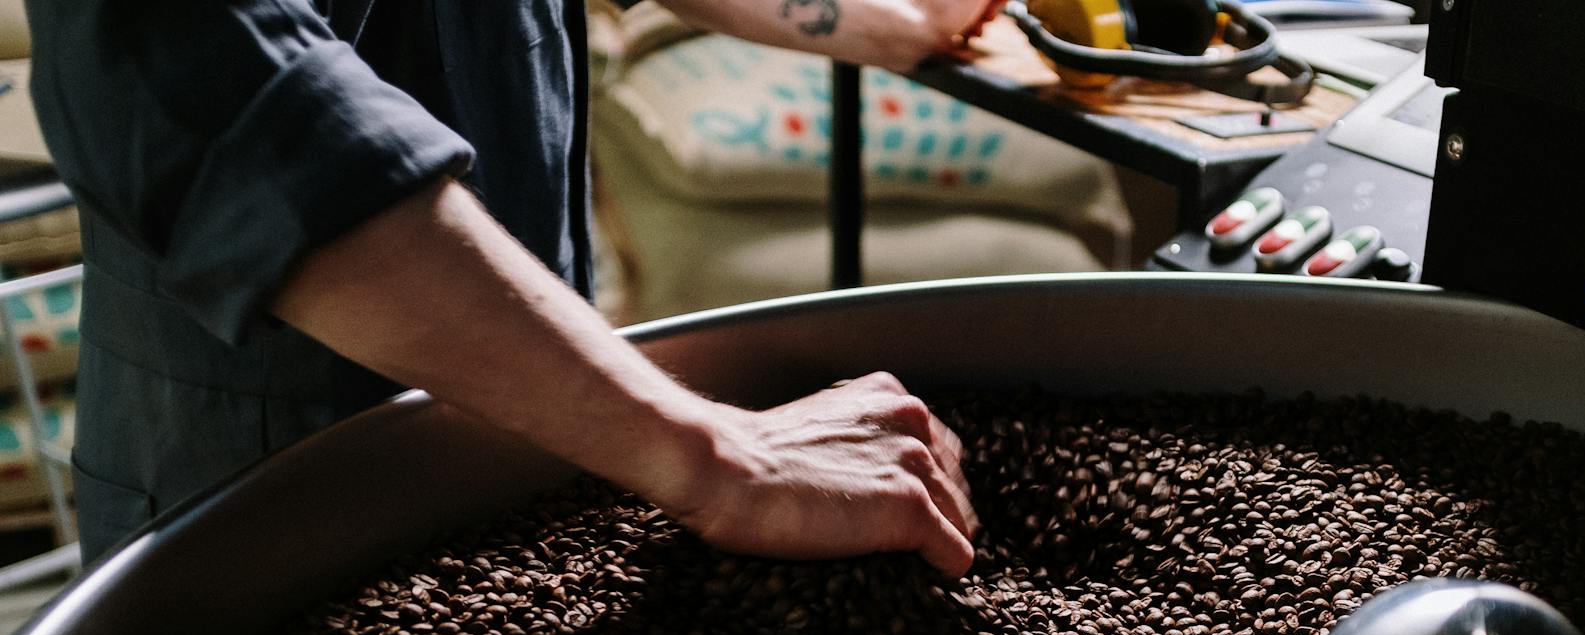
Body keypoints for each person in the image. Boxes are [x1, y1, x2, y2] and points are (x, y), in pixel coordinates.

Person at [25, 0, 984, 571]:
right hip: (253, 503)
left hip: (537, 446)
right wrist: (721, 456)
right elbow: (217, 83)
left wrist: (839, 13)